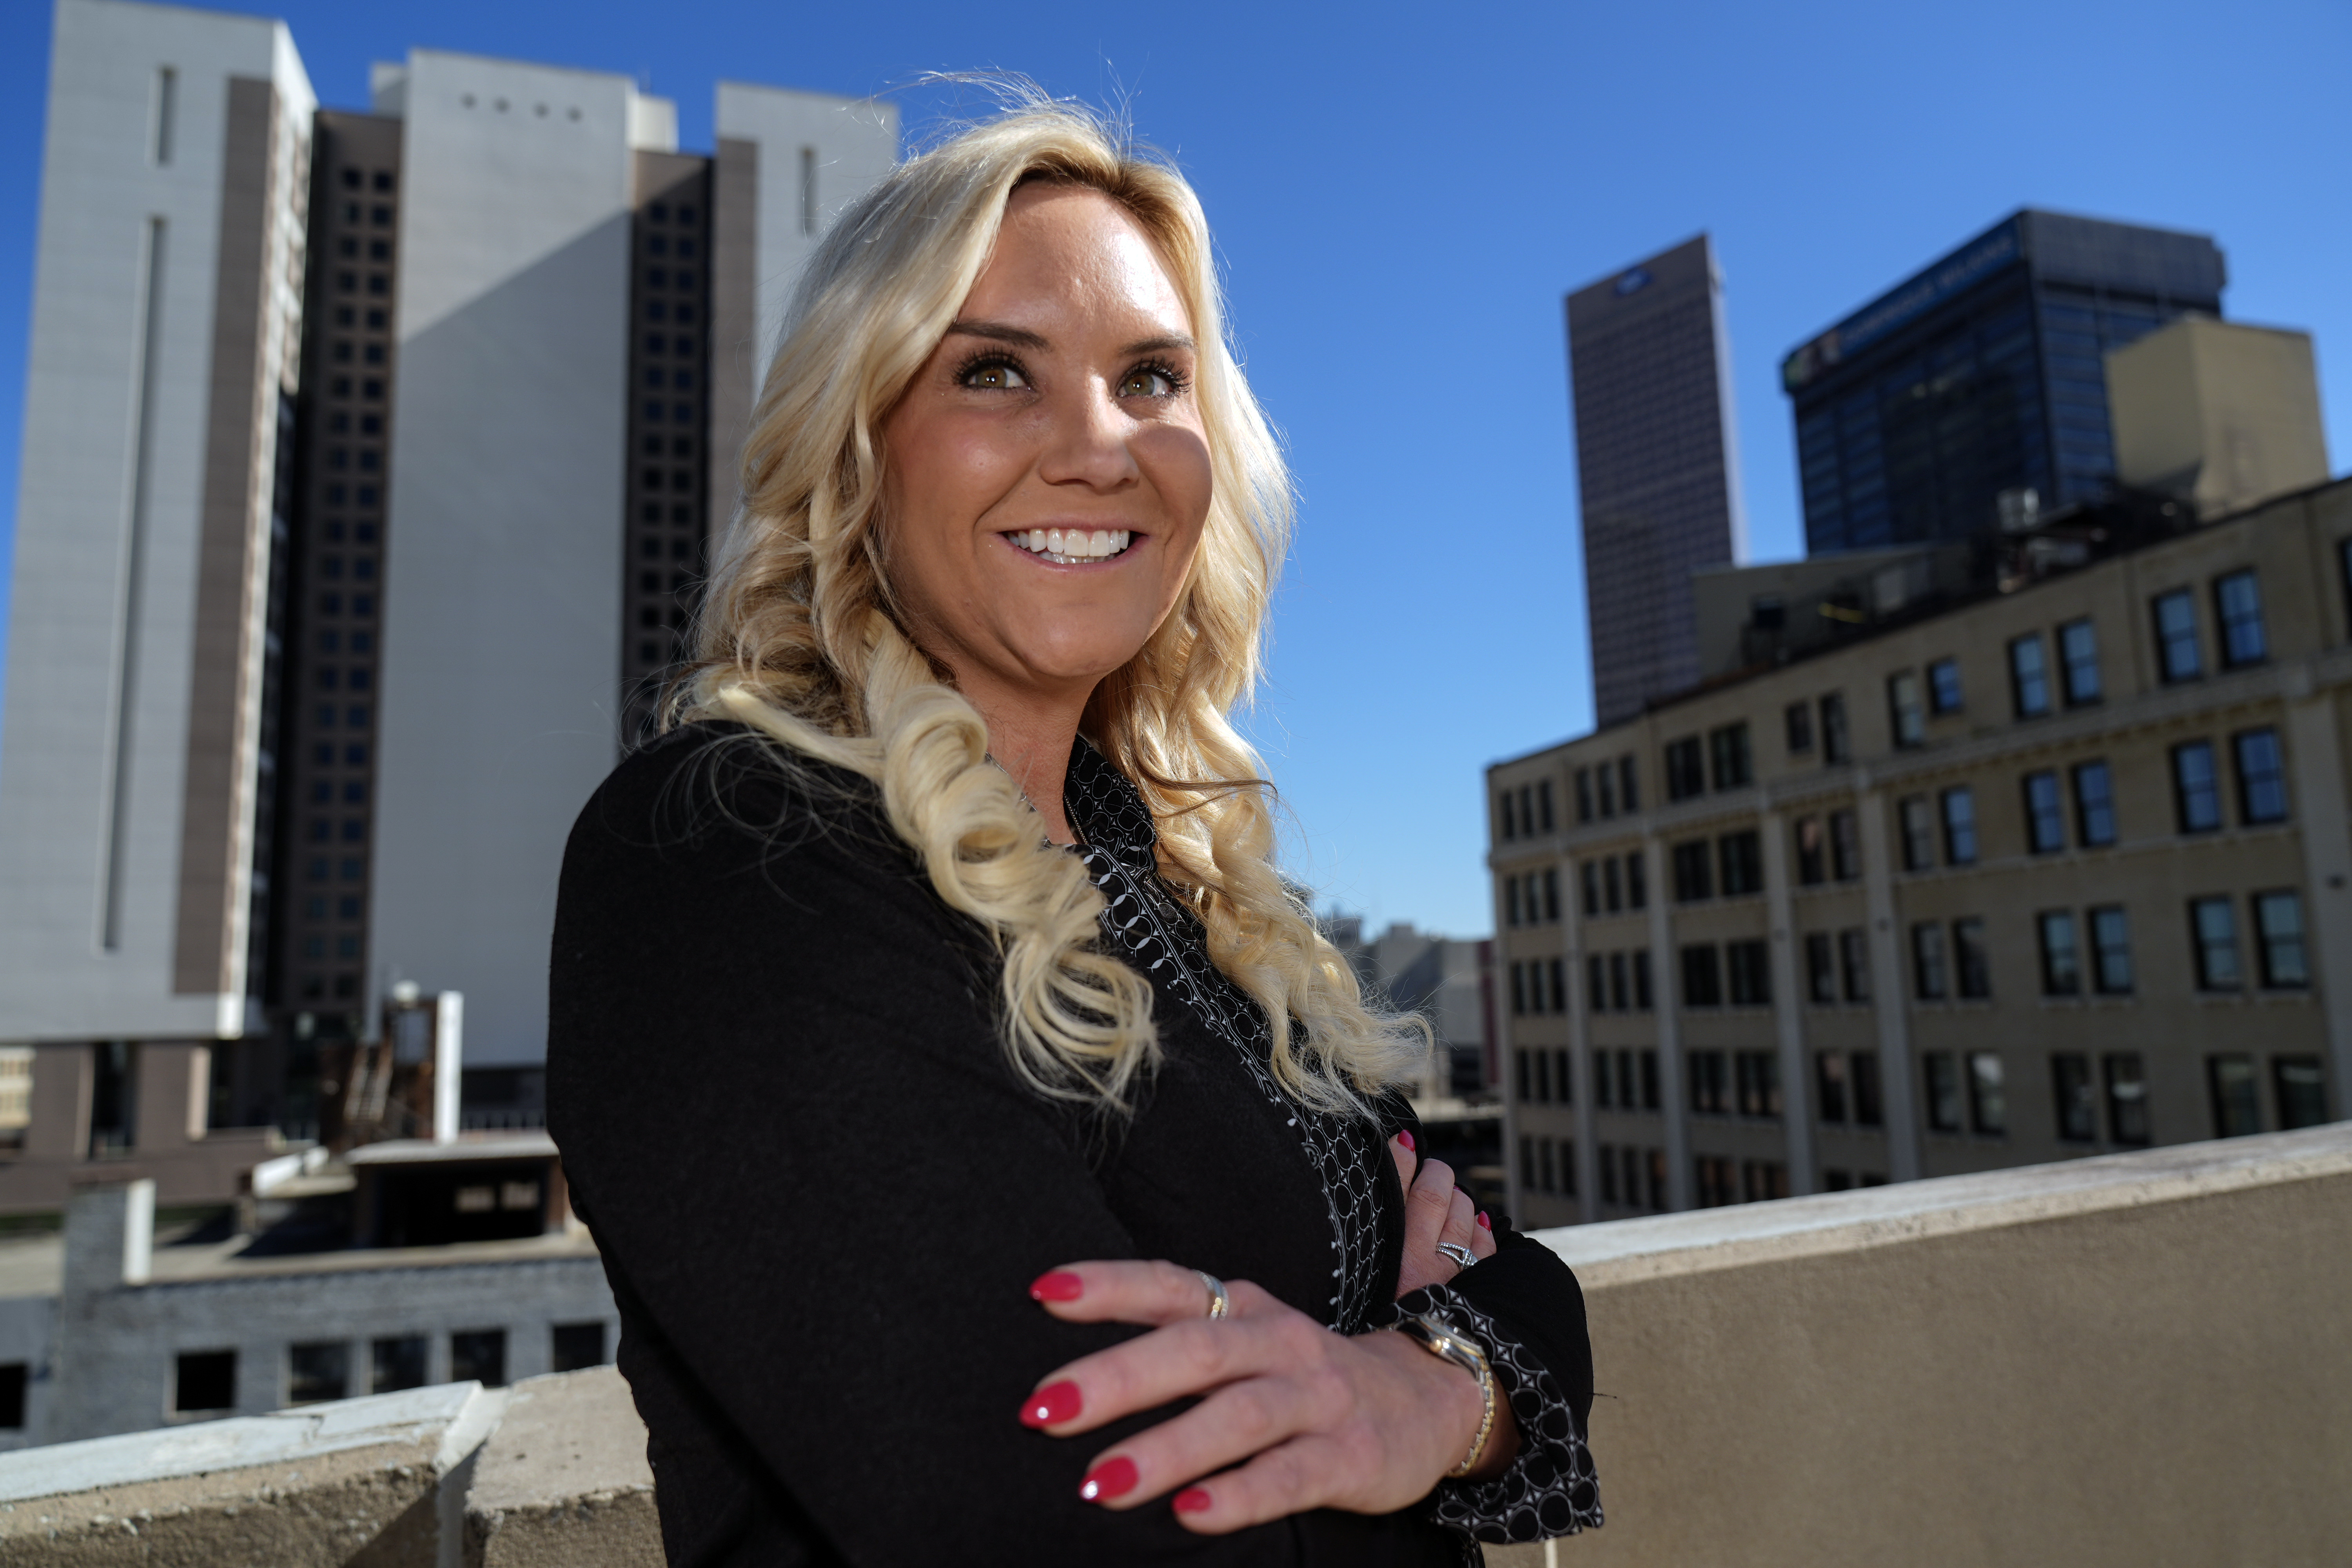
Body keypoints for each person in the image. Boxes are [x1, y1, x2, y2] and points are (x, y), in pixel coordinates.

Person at [548, 94, 1601, 1566]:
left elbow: (1518, 1277)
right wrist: (1394, 1363)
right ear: (858, 452)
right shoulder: (732, 851)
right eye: (994, 371)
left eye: (1151, 380)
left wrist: (1425, 1390)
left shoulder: (1173, 871)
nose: (1098, 449)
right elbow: (1072, 1516)